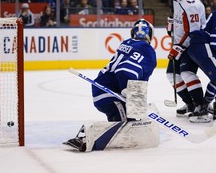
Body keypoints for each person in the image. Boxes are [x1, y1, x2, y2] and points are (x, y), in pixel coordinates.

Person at [64, 19, 159, 152]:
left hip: (102, 92)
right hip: (111, 94)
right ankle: (87, 136)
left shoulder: (127, 43)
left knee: (131, 122)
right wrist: (129, 93)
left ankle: (92, 133)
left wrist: (138, 105)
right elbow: (124, 71)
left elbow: (132, 78)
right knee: (127, 126)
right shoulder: (147, 50)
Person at [166, 0, 209, 122]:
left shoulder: (193, 5)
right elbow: (182, 22)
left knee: (186, 73)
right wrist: (172, 24)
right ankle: (190, 104)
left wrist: (177, 48)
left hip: (192, 46)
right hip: (181, 45)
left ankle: (201, 106)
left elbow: (192, 32)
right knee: (171, 75)